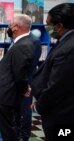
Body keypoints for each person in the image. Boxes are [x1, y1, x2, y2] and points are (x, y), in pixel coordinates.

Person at [0, 14, 41, 141]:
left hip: (7, 95)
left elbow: (20, 72)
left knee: (9, 130)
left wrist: (24, 89)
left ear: (16, 27)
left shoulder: (24, 44)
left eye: (10, 25)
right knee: (11, 127)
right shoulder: (22, 42)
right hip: (8, 94)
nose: (9, 27)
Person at [31, 3, 74, 141]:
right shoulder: (65, 41)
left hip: (62, 116)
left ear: (59, 26)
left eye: (48, 24)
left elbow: (57, 85)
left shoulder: (69, 48)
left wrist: (39, 105)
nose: (46, 28)